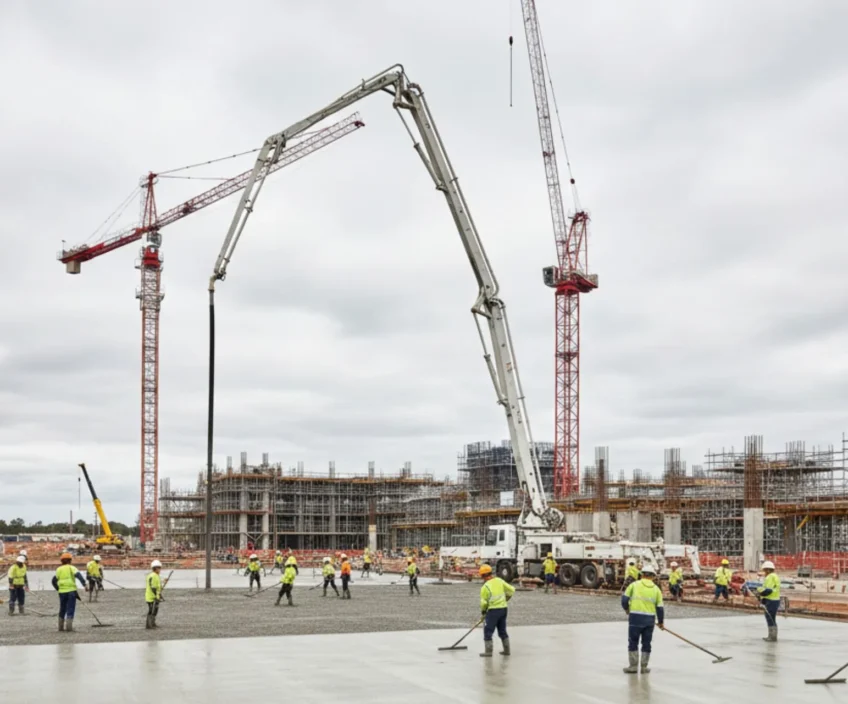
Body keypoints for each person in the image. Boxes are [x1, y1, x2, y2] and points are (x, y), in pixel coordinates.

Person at [621, 564, 664, 674]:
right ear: (653, 576)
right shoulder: (656, 590)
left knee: (633, 641)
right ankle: (644, 667)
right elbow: (660, 608)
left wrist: (627, 609)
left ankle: (633, 666)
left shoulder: (634, 585)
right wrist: (661, 622)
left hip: (635, 618)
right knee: (646, 643)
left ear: (642, 575)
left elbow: (624, 600)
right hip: (649, 620)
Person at [479, 564, 516, 657]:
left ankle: (488, 652)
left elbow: (484, 603)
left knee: (488, 630)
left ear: (483, 576)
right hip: (503, 609)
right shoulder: (499, 581)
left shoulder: (485, 587)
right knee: (502, 630)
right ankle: (507, 650)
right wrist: (506, 599)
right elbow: (512, 590)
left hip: (493, 611)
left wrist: (483, 612)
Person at [52, 552, 86, 632]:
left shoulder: (58, 569)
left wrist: (58, 588)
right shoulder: (71, 568)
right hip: (71, 591)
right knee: (70, 608)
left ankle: (60, 628)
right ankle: (69, 627)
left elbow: (53, 581)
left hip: (62, 592)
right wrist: (84, 584)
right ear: (70, 560)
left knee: (62, 608)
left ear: (62, 561)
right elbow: (79, 576)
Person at [755, 560, 781, 642]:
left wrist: (759, 591)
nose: (764, 572)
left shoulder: (770, 577)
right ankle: (773, 636)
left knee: (769, 618)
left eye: (765, 570)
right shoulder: (775, 576)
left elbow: (768, 590)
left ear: (768, 570)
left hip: (771, 601)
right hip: (774, 600)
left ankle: (772, 637)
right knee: (772, 618)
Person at [146, 559, 163, 629]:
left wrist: (160, 595)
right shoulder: (154, 576)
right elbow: (153, 587)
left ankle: (152, 623)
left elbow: (157, 586)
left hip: (153, 596)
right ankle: (149, 625)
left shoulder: (154, 575)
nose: (160, 569)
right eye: (159, 568)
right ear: (155, 568)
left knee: (154, 611)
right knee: (152, 611)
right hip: (152, 597)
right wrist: (156, 596)